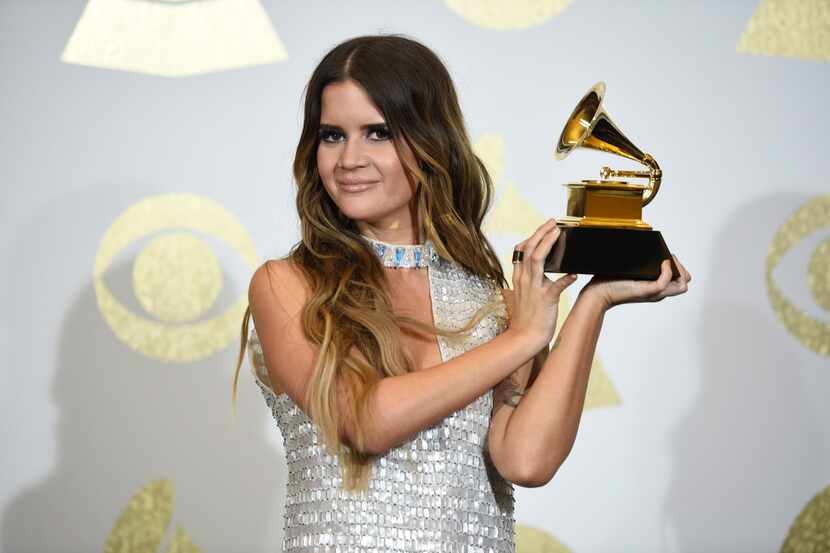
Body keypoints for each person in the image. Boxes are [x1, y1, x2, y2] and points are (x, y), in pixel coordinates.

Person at [231, 34, 691, 553]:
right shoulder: (288, 284)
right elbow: (364, 422)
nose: (349, 158)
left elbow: (525, 461)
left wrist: (592, 303)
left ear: (429, 141)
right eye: (332, 135)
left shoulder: (482, 293)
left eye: (378, 133)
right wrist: (522, 339)